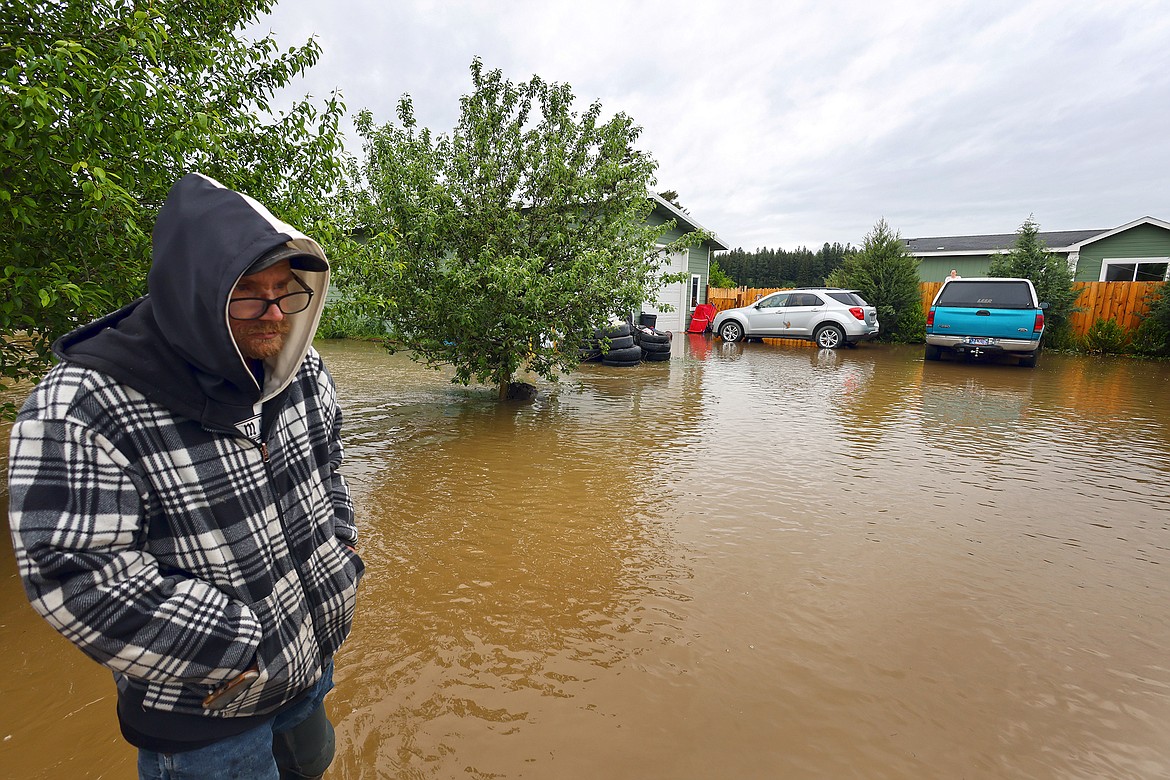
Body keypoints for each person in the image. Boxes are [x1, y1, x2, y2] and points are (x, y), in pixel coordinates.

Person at [7, 173, 363, 779]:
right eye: (249, 294)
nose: (276, 315)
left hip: (308, 662)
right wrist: (240, 647)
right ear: (193, 291)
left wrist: (341, 562)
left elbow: (327, 470)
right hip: (206, 710)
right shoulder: (83, 407)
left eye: (287, 291)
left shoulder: (299, 369)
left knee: (313, 766)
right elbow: (74, 575)